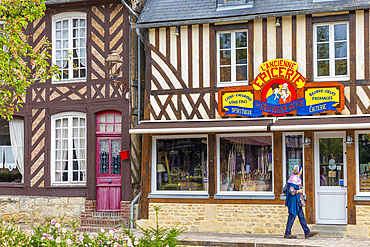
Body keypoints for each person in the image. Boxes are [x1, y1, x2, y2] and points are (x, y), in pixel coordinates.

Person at [284, 165, 318, 239]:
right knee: (292, 216)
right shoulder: (293, 179)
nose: (301, 171)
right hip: (293, 201)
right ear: (298, 171)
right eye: (301, 169)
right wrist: (299, 191)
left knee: (301, 217)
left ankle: (307, 232)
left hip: (297, 201)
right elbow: (291, 191)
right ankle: (287, 233)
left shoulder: (296, 178)